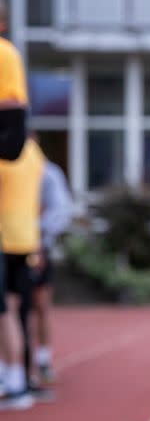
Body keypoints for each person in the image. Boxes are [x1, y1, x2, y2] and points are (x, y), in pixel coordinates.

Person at [0, 0, 33, 410]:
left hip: (17, 236)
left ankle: (19, 378)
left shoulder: (6, 55)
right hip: (17, 235)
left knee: (11, 307)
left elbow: (12, 140)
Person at [0, 134, 47, 403]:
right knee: (17, 311)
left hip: (5, 238)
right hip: (27, 238)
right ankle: (17, 376)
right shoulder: (33, 152)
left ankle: (13, 379)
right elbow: (36, 198)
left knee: (5, 313)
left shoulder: (5, 152)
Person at [32, 149, 74, 386]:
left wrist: (34, 230)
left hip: (37, 246)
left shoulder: (47, 173)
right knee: (14, 308)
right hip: (9, 247)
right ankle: (16, 366)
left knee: (40, 303)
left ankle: (43, 359)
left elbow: (59, 211)